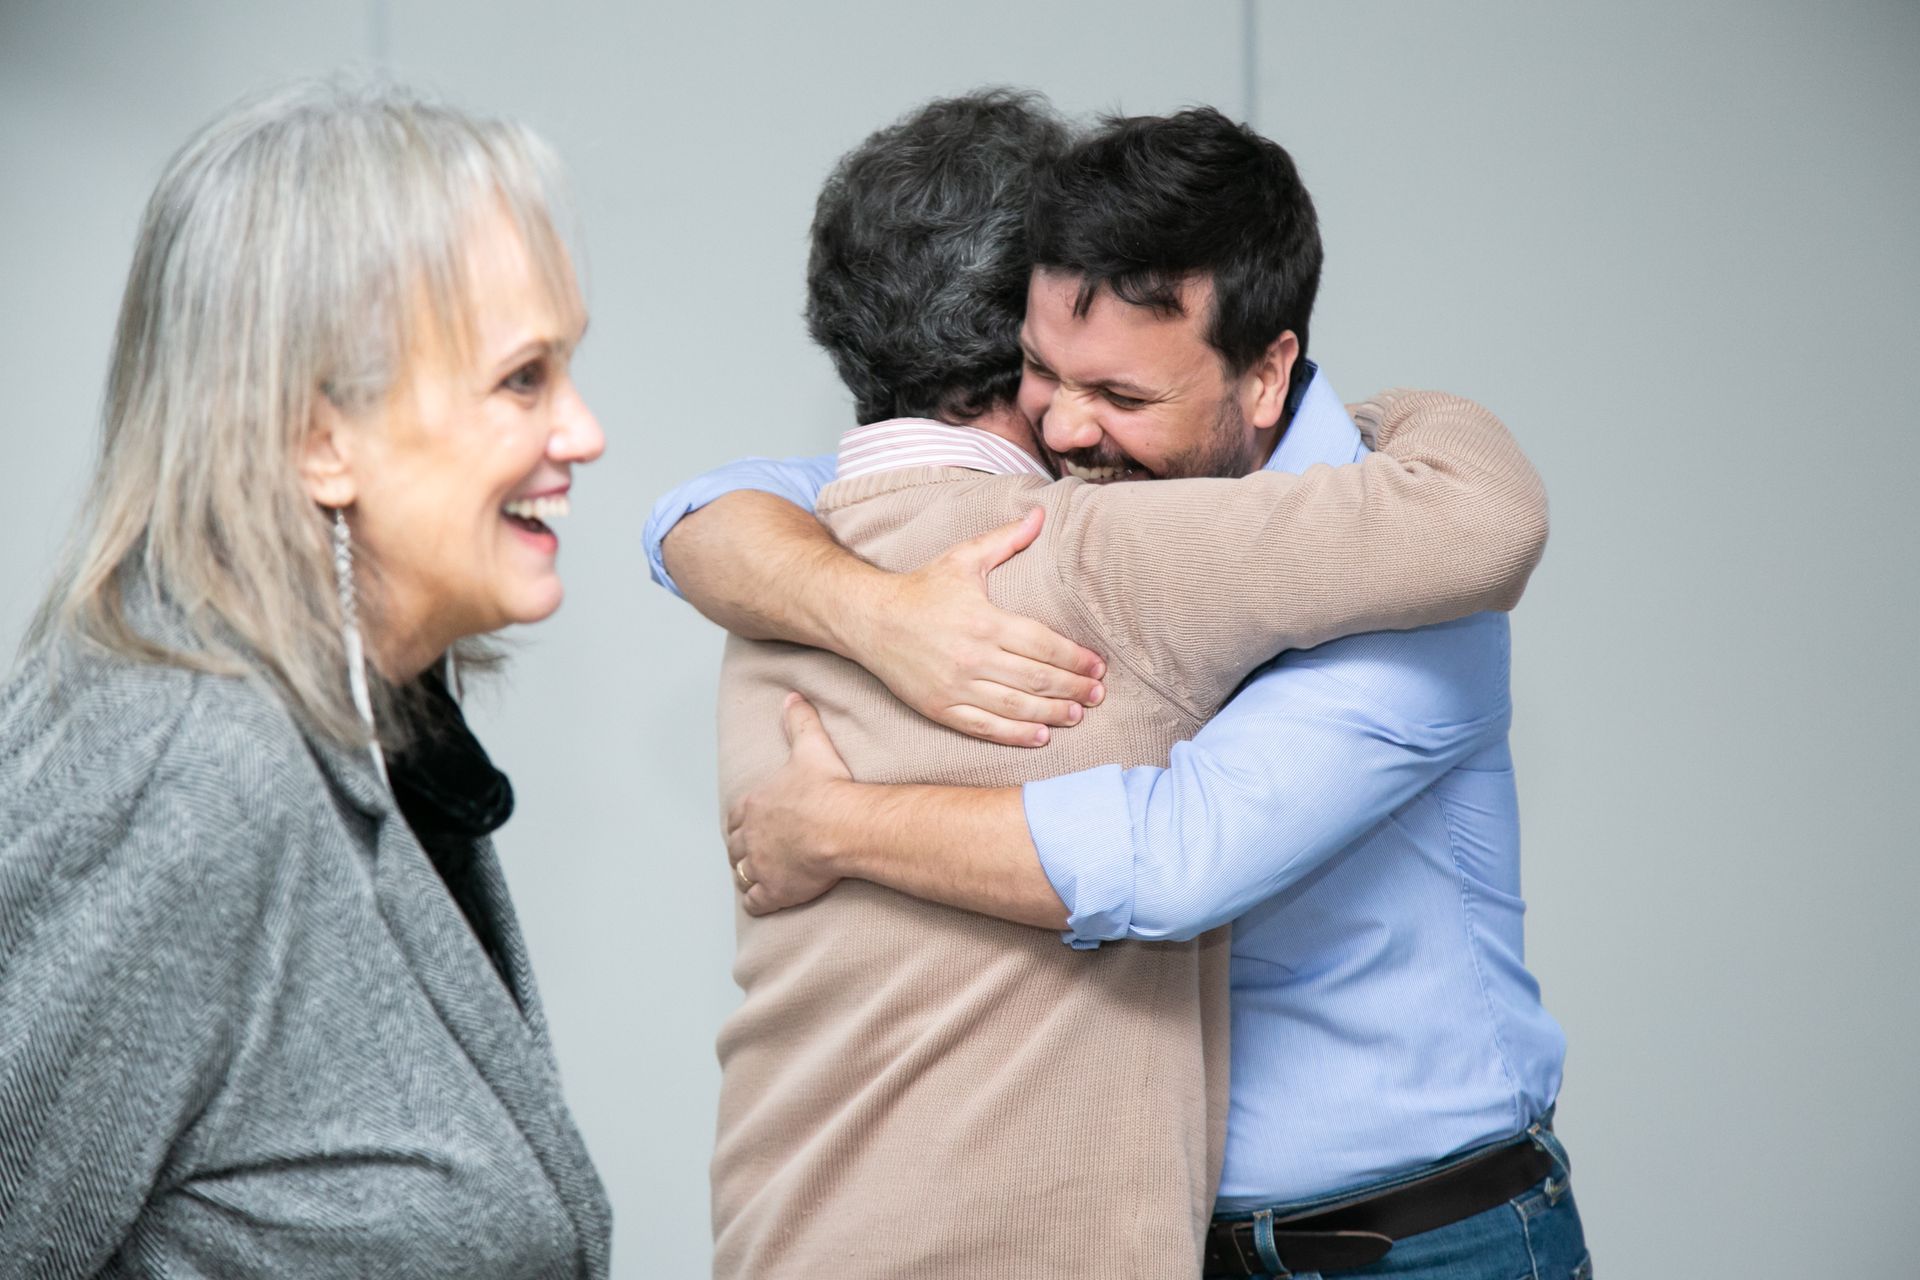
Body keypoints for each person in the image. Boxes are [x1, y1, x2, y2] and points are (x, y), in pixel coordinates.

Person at [655, 105, 1589, 1280]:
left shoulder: (1395, 574)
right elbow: (712, 508)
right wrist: (873, 610)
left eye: (1119, 395)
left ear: (1265, 378)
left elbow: (1176, 859)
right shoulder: (1026, 520)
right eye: (1042, 372)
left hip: (1416, 1236)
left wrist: (835, 824)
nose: (1066, 423)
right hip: (1189, 1241)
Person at [0, 81, 610, 1276]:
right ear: (318, 435)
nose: (581, 429)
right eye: (523, 378)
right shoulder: (187, 769)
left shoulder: (369, 722)